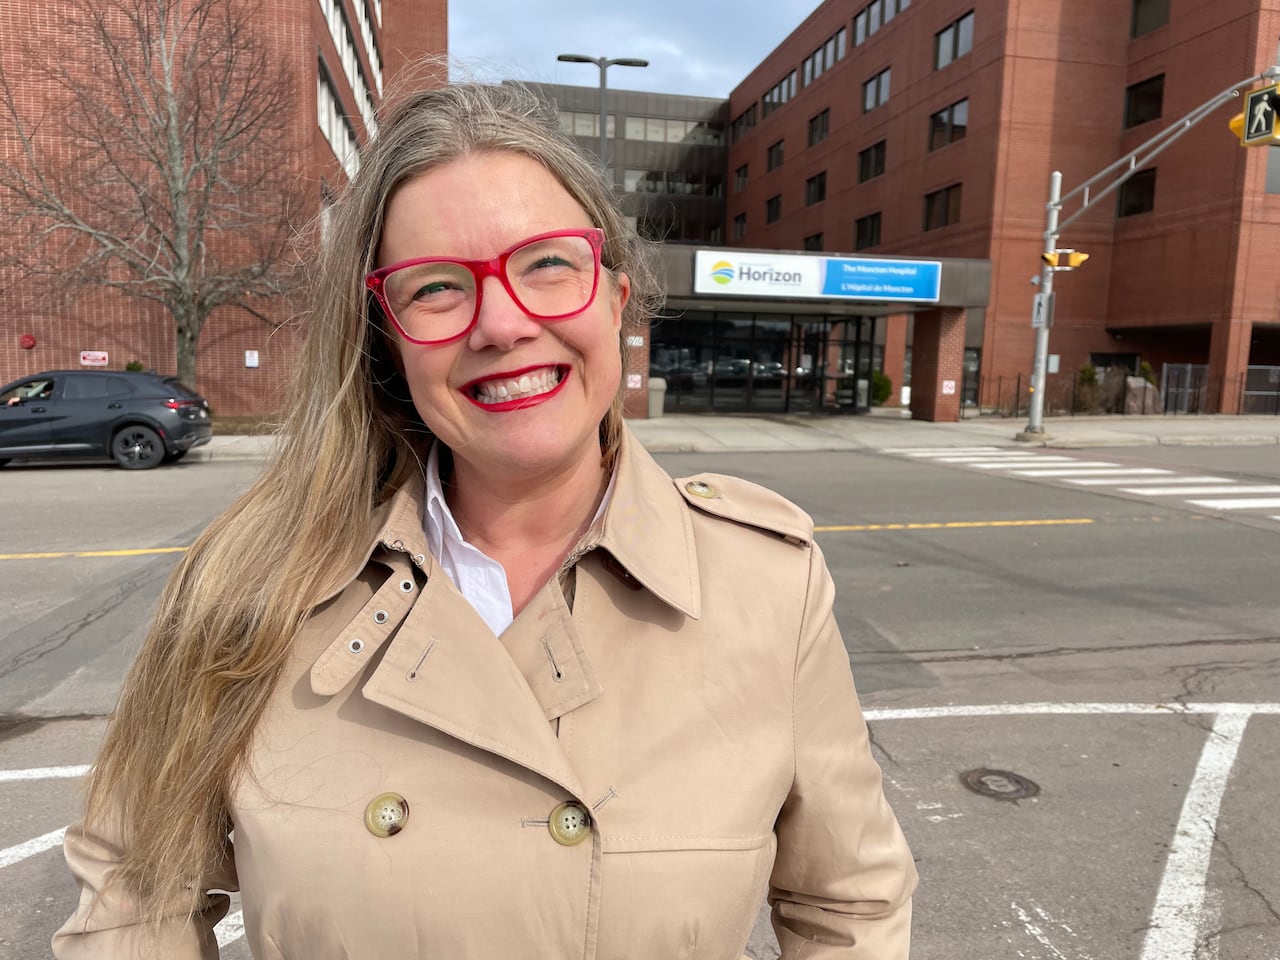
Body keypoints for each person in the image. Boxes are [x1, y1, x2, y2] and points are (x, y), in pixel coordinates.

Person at [54, 77, 916, 959]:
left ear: (616, 300)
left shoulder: (767, 582)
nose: (502, 324)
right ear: (386, 339)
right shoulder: (247, 583)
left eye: (547, 263)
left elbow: (847, 907)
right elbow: (134, 900)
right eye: (436, 288)